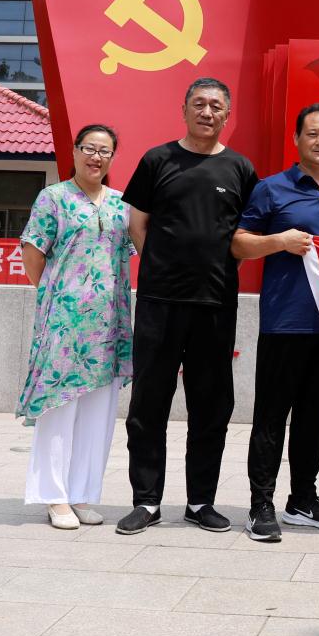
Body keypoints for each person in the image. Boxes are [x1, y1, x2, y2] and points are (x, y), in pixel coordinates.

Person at [116, 78, 259, 535]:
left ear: (227, 115)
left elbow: (244, 236)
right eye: (199, 103)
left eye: (216, 106)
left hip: (215, 304)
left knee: (211, 406)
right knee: (148, 404)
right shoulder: (157, 160)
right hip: (159, 303)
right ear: (184, 109)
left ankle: (201, 501)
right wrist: (161, 270)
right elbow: (137, 224)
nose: (207, 112)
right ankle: (147, 501)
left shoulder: (240, 168)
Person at [231, 103, 319, 542]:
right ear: (297, 140)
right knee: (271, 417)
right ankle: (260, 504)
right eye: (312, 134)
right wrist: (278, 241)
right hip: (284, 323)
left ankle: (303, 499)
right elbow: (239, 244)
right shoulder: (271, 189)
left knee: (312, 417)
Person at [17, 123, 134, 530]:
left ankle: (82, 492)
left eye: (105, 151)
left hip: (110, 323)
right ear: (75, 151)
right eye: (89, 148)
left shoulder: (122, 205)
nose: (96, 157)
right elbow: (33, 252)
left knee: (98, 413)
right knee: (59, 406)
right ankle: (54, 496)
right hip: (65, 324)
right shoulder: (53, 198)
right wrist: (59, 294)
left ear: (112, 157)